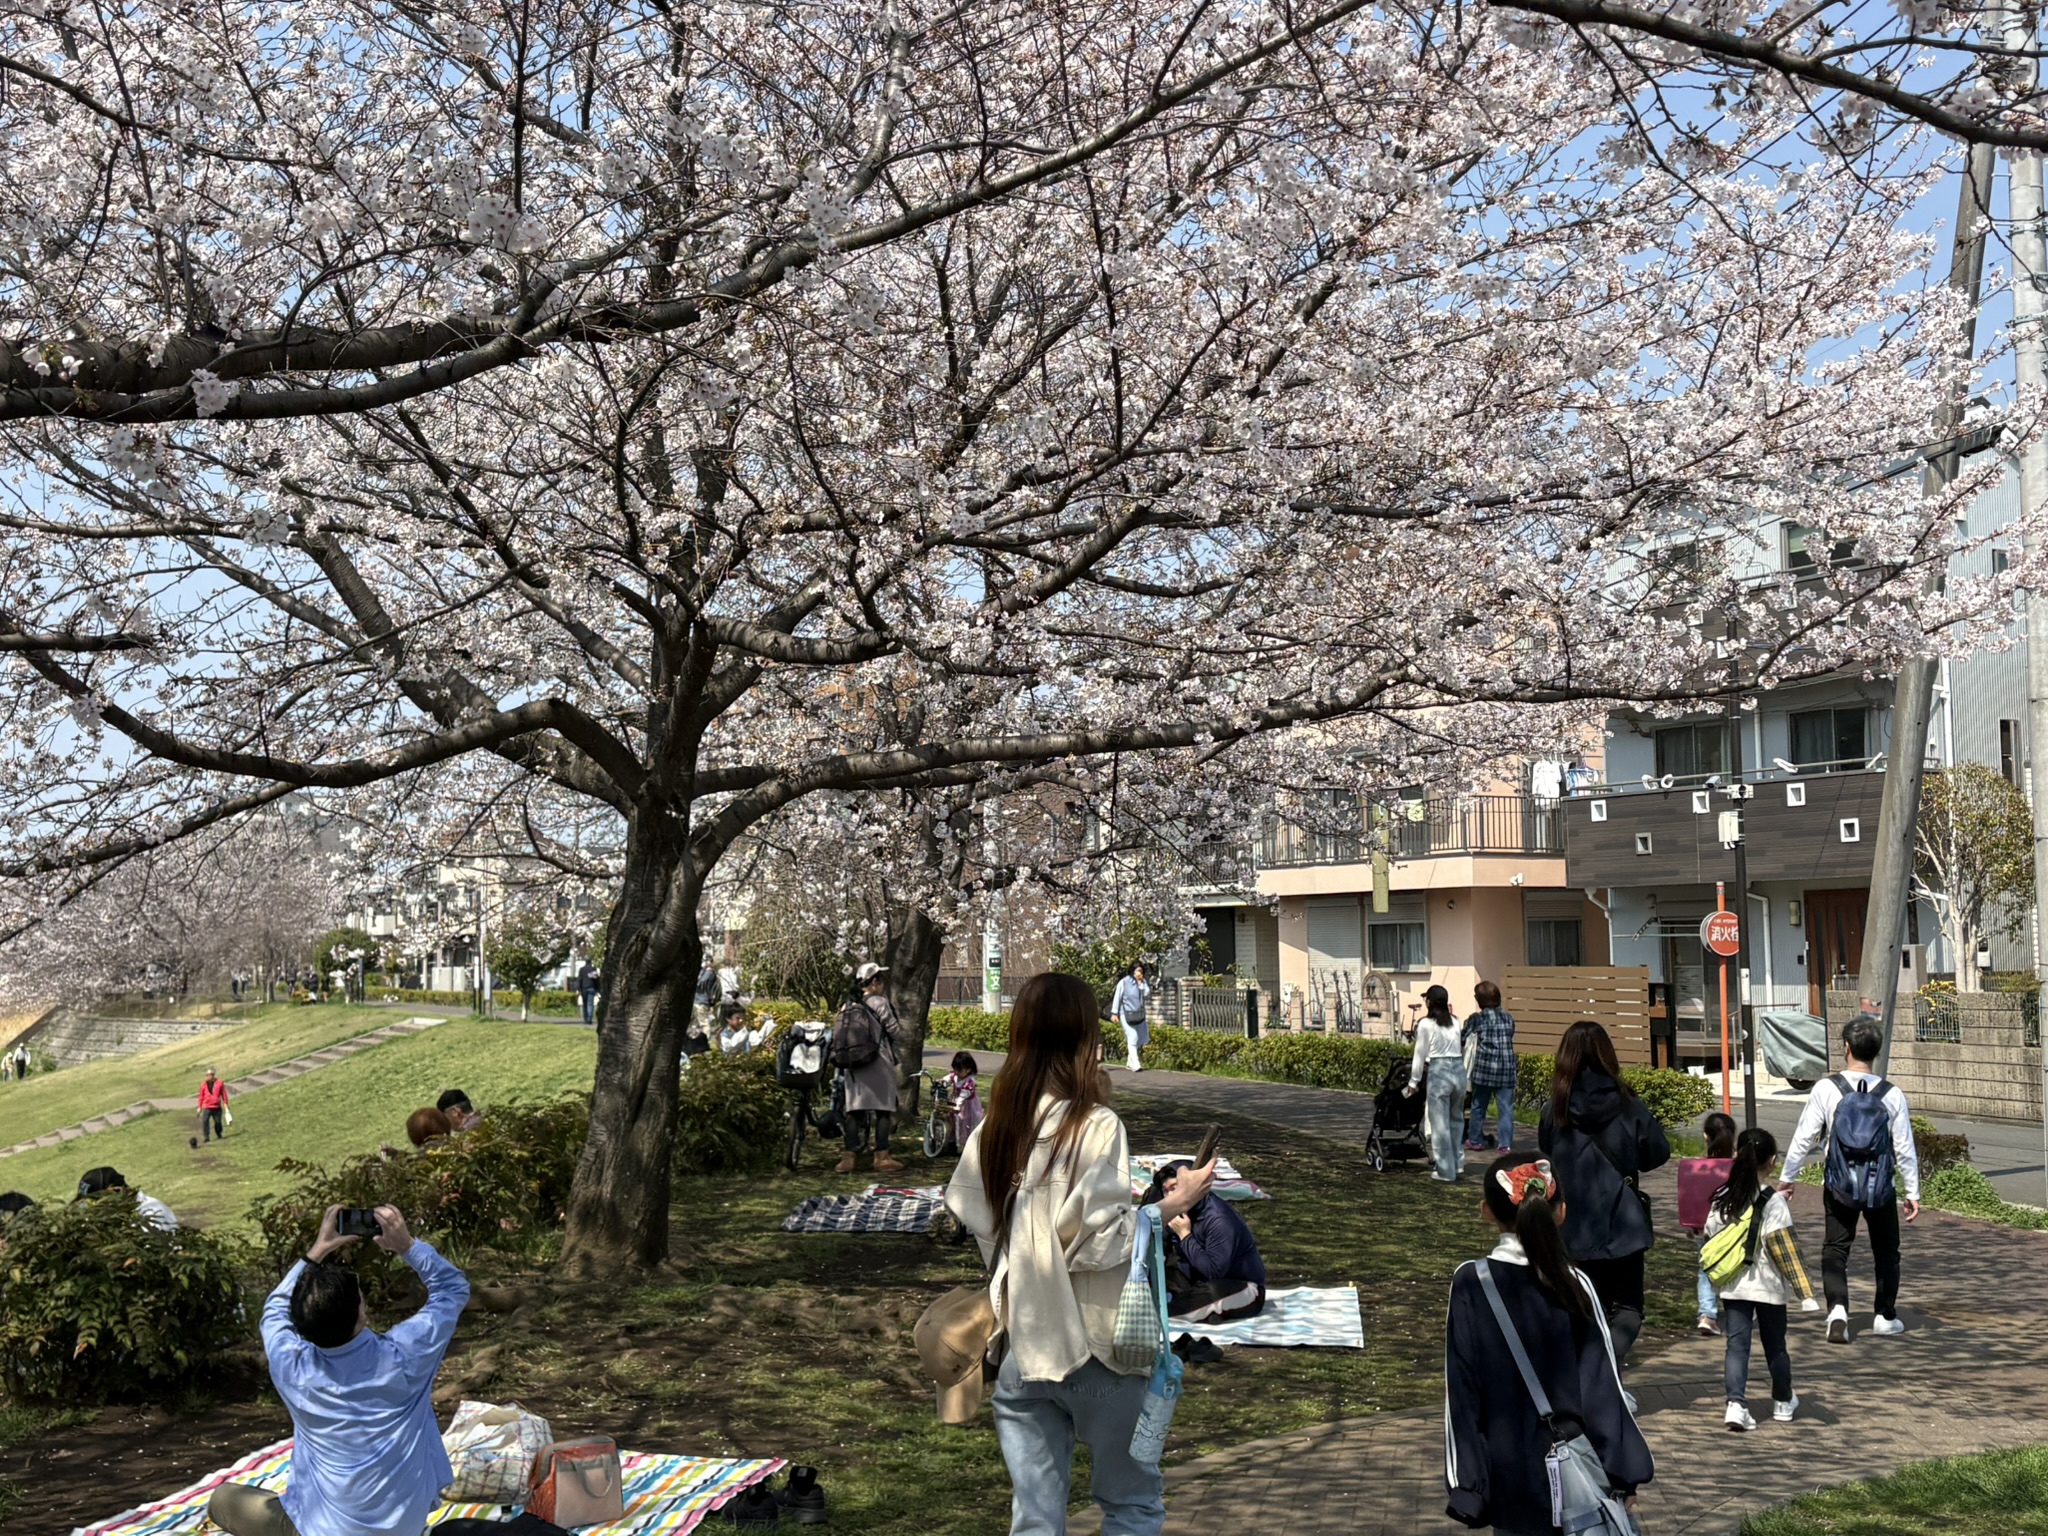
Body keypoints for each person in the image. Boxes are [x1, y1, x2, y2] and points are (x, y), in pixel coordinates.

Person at [946, 971, 1217, 1536]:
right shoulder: (1096, 1126)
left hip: (1023, 1345)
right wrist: (1174, 1205)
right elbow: (1101, 1240)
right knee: (1131, 1506)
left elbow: (977, 1216)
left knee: (1035, 1519)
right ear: (1080, 1038)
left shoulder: (994, 1129)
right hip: (1098, 1347)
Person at [207, 1203, 469, 1536]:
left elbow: (274, 1310)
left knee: (222, 1498)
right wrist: (406, 1246)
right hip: (404, 1529)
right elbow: (452, 1288)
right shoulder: (406, 1356)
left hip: (318, 1530)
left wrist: (318, 1249)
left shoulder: (291, 1368)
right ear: (361, 1314)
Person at [1444, 1156, 1652, 1533]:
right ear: (1561, 1212)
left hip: (1507, 1475)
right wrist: (1625, 1474)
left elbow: (1462, 1391)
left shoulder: (1470, 1283)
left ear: (1486, 1211)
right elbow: (1602, 1387)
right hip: (1576, 1472)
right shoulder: (1573, 1284)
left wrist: (1468, 1485)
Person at [1778, 1014, 1920, 1343]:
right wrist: (1912, 1192)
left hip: (1839, 1185)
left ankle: (1838, 1310)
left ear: (1846, 1047)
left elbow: (1804, 1137)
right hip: (1880, 1188)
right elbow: (1904, 1148)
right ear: (1877, 1051)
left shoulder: (1827, 1088)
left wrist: (1788, 1177)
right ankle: (1885, 1316)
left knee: (1835, 1248)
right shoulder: (1891, 1094)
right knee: (1887, 1251)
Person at [1537, 1019, 1670, 1367]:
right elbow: (1657, 1154)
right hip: (1622, 1222)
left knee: (1580, 1307)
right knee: (1627, 1308)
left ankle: (1591, 1376)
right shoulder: (1629, 1106)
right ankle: (1605, 1371)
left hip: (1571, 1224)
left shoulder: (1555, 1110)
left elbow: (1546, 1150)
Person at [1706, 1127, 1818, 1431]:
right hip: (1768, 1287)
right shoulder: (1773, 1202)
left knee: (1737, 1346)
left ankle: (1735, 1404)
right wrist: (1805, 1293)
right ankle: (1782, 1400)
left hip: (1734, 1285)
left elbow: (1709, 1233)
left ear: (1736, 1156)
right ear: (1772, 1161)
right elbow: (1785, 1250)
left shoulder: (1723, 1196)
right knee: (1775, 1345)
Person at [1142, 1160, 1267, 1323]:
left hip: (1241, 1287)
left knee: (1211, 1292)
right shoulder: (1178, 1212)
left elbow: (1213, 1272)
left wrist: (1185, 1235)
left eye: (1174, 1188)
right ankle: (1196, 1310)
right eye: (1166, 1191)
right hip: (1195, 1281)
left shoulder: (1219, 1219)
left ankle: (1175, 1312)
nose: (1170, 1197)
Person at [837, 963, 903, 1174]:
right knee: (883, 1111)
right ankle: (881, 1157)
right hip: (878, 1063)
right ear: (874, 982)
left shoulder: (847, 1005)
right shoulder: (879, 1002)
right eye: (881, 981)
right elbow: (895, 1031)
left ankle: (848, 1159)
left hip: (853, 1066)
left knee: (854, 1112)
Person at [1680, 1112, 1738, 1336]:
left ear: (1706, 1136)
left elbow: (1690, 1199)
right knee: (1736, 1267)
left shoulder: (1696, 1167)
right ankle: (1737, 1312)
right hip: (1733, 1227)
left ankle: (1707, 1314)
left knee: (1706, 1270)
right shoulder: (1738, 1168)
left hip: (1702, 1227)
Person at [1405, 984, 1469, 1183]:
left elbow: (1420, 1054)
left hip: (1440, 1070)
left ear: (1429, 1002)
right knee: (1456, 1119)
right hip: (1458, 1069)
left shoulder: (1425, 1024)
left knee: (1439, 1124)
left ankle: (1445, 1170)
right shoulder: (1456, 1021)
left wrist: (1413, 1081)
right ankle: (1457, 1163)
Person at [1462, 981, 1518, 1154]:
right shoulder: (1508, 1018)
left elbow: (1462, 1038)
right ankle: (1505, 1144)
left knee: (1478, 1106)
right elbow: (1511, 1033)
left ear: (1479, 1000)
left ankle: (1475, 1140)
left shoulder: (1476, 1019)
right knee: (1506, 1109)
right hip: (1506, 1071)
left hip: (1484, 1071)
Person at [75, 1166, 178, 1230]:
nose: (94, 1210)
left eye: (97, 1202)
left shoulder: (152, 1214)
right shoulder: (118, 1215)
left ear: (116, 1190)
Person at [1110, 962, 1151, 1073]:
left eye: (1141, 971)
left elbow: (1147, 994)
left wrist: (1141, 984)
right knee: (1133, 1036)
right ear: (1132, 971)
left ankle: (1129, 1062)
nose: (1139, 973)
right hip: (1126, 1014)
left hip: (1139, 1014)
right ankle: (1136, 1064)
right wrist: (1114, 1013)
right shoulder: (1124, 982)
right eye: (1137, 971)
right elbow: (1117, 997)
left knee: (1139, 1039)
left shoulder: (1142, 982)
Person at [945, 1050, 985, 1147]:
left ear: (968, 1069)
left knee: (965, 1122)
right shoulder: (955, 1076)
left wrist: (958, 1103)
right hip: (956, 1102)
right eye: (955, 1069)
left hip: (968, 1105)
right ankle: (953, 1140)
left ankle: (965, 1143)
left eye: (959, 1070)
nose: (956, 1072)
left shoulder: (969, 1081)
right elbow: (947, 1079)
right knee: (953, 1120)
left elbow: (964, 1094)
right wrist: (943, 1082)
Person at [199, 1067, 230, 1143]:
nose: (209, 1076)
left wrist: (225, 1104)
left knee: (218, 1122)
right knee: (205, 1121)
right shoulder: (203, 1085)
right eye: (207, 1075)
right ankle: (206, 1137)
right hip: (207, 1107)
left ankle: (219, 1134)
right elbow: (201, 1096)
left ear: (213, 1075)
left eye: (211, 1074)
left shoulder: (219, 1083)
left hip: (217, 1107)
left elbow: (223, 1094)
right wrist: (200, 1107)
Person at [580, 959, 603, 1026]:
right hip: (591, 988)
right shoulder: (593, 969)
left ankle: (586, 1018)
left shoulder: (582, 969)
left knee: (585, 1004)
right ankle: (589, 1019)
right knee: (590, 1004)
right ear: (590, 962)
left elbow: (580, 979)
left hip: (584, 988)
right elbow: (596, 979)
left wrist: (578, 988)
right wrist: (597, 988)